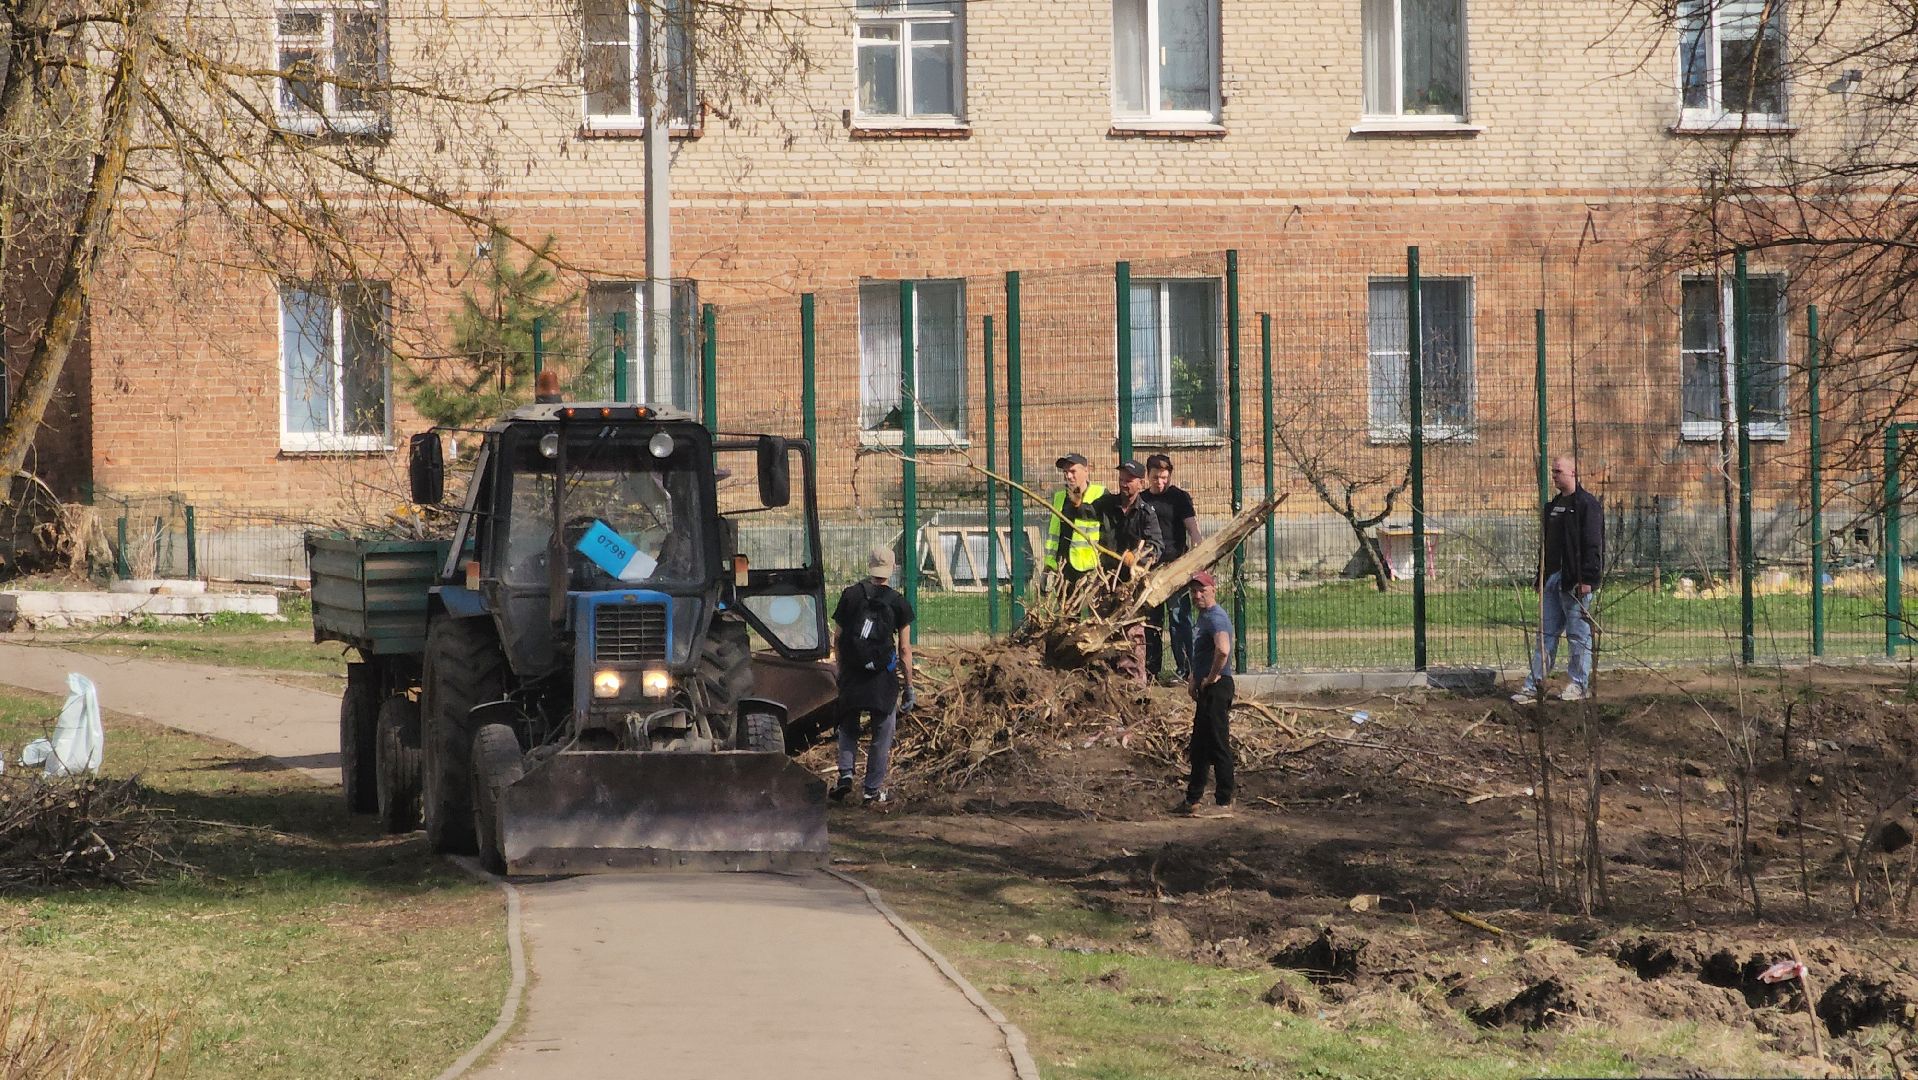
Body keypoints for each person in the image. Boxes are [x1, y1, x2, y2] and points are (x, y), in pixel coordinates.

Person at [1512, 456, 1603, 704]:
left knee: (1578, 634)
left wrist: (1588, 579)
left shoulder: (1587, 505)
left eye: (1558, 471)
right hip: (1551, 579)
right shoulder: (1553, 507)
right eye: (1552, 471)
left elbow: (1593, 545)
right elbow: (1547, 546)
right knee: (1545, 634)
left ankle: (1579, 683)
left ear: (1573, 472)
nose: (1554, 475)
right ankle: (1535, 685)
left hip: (1575, 581)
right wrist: (1540, 577)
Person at [831, 545, 916, 807]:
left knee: (848, 723)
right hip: (882, 678)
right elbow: (904, 649)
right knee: (883, 730)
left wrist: (840, 669)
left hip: (853, 673)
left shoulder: (850, 595)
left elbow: (837, 637)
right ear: (892, 569)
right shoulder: (899, 603)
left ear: (869, 566)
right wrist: (909, 687)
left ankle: (845, 773)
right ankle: (871, 790)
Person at [1092, 459, 1166, 684]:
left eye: (1129, 480)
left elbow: (1156, 545)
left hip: (1130, 587)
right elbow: (1084, 514)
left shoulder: (1146, 513)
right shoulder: (1105, 505)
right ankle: (1104, 681)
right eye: (1122, 479)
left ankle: (1133, 685)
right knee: (1102, 632)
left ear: (1140, 483)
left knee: (1132, 635)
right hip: (1105, 582)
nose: (1124, 484)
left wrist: (1137, 557)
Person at [1174, 571, 1235, 817]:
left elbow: (1223, 649)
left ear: (1213, 590)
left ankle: (1224, 802)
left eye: (1202, 591)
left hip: (1217, 688)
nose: (1197, 595)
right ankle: (1193, 800)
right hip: (1206, 687)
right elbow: (1204, 652)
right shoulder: (1204, 617)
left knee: (1218, 744)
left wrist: (1211, 678)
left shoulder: (1216, 618)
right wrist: (1194, 678)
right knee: (1199, 746)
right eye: (1194, 591)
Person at [1141, 453, 1202, 680]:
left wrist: (1199, 555)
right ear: (1148, 475)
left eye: (1164, 477)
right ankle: (1151, 671)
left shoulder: (1179, 498)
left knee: (1180, 618)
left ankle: (1186, 670)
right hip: (1150, 570)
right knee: (1151, 622)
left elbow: (1193, 530)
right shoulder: (1142, 500)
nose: (1160, 482)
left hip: (1177, 566)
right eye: (1156, 477)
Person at [1044, 452, 1105, 592]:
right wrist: (1049, 566)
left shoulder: (1100, 494)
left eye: (1073, 471)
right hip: (1064, 568)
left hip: (1091, 569)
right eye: (1065, 472)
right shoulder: (1059, 497)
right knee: (1065, 613)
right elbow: (1054, 535)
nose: (1068, 476)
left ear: (1086, 470)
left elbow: (1108, 534)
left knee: (1095, 612)